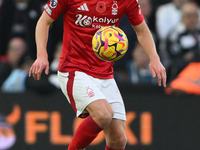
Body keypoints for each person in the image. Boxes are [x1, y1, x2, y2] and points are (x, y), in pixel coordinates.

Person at [29, 0, 166, 150]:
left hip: (105, 74)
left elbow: (141, 30)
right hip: (74, 70)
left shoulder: (127, 1)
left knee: (118, 139)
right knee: (104, 115)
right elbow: (44, 21)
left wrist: (154, 58)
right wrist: (41, 55)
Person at [166, 1, 200, 82]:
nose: (192, 19)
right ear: (182, 17)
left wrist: (193, 54)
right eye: (189, 16)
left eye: (195, 16)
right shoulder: (175, 35)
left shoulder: (198, 32)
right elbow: (176, 58)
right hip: (180, 74)